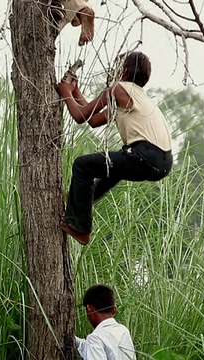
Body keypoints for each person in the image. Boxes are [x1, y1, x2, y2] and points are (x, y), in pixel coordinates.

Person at [57, 52, 172, 245]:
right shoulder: (135, 97)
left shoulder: (118, 89)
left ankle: (80, 227)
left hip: (144, 155)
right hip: (163, 162)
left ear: (124, 72)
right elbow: (93, 119)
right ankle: (79, 203)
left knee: (82, 165)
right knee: (113, 168)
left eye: (116, 68)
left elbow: (79, 117)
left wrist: (65, 91)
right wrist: (75, 93)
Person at [76, 284, 136, 360]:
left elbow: (95, 344)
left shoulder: (95, 338)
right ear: (114, 310)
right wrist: (75, 340)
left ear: (89, 309)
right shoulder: (123, 331)